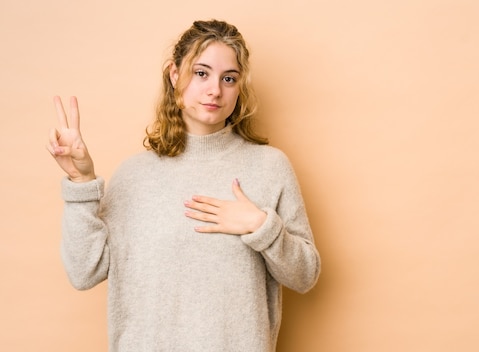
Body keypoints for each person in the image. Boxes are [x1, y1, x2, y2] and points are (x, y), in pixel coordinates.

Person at [47, 19, 321, 352]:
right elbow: (84, 272)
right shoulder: (133, 176)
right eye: (201, 73)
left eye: (229, 78)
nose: (215, 90)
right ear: (174, 75)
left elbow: (305, 276)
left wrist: (262, 226)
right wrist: (80, 183)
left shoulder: (269, 167)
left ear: (239, 87)